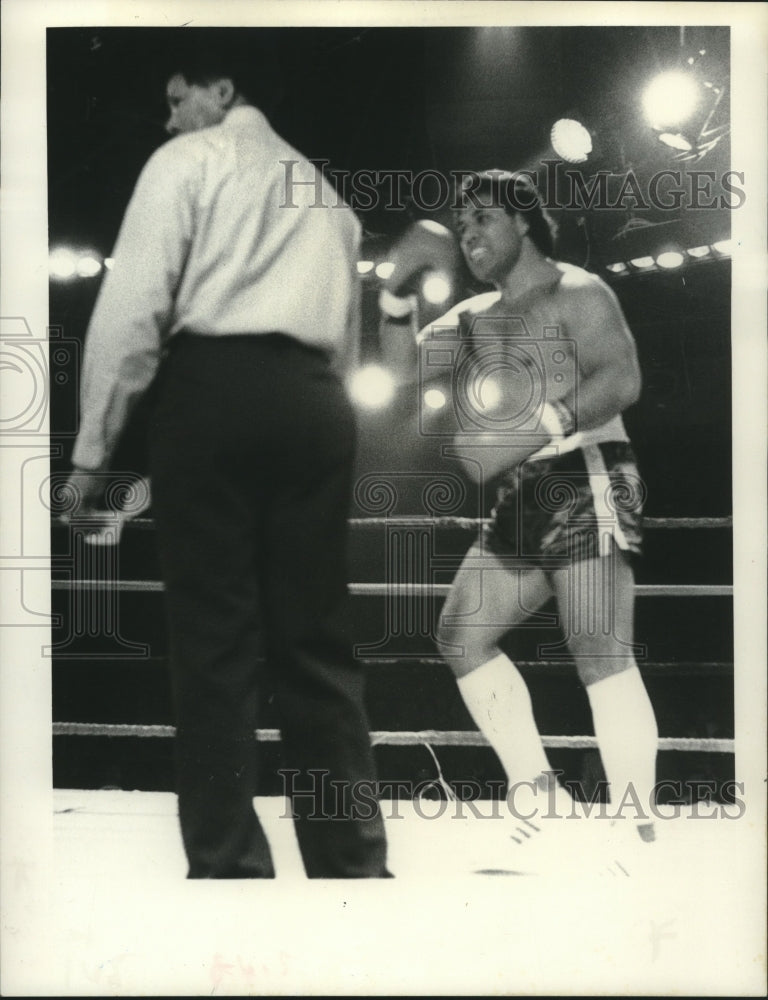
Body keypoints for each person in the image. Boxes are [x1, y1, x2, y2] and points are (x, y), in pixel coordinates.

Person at [65, 45, 390, 879]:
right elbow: (347, 342)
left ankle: (228, 861)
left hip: (213, 391)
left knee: (214, 640)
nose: (169, 115)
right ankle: (351, 859)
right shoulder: (328, 197)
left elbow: (132, 309)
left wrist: (92, 453)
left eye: (179, 98)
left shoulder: (187, 161)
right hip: (319, 402)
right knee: (316, 640)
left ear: (222, 90)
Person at [380, 170, 659, 845]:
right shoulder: (473, 318)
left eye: (484, 219)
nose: (470, 235)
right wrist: (393, 294)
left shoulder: (578, 292)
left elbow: (622, 379)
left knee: (599, 648)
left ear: (523, 221)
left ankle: (636, 826)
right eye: (463, 225)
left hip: (586, 468)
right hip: (523, 488)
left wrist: (539, 424)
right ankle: (537, 788)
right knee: (461, 634)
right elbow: (399, 370)